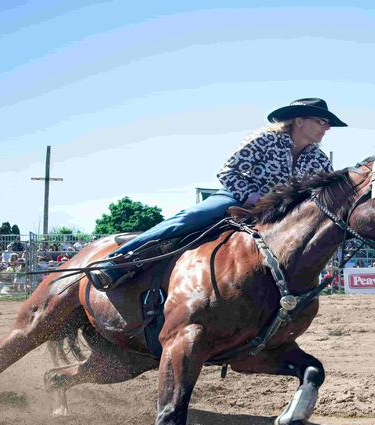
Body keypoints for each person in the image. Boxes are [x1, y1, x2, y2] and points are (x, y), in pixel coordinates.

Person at [87, 98, 347, 290]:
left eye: (328, 124)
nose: (327, 128)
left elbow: (325, 194)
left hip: (281, 213)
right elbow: (228, 172)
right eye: (322, 122)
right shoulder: (264, 139)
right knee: (189, 219)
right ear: (299, 120)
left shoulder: (319, 159)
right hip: (238, 199)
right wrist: (255, 199)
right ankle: (116, 262)